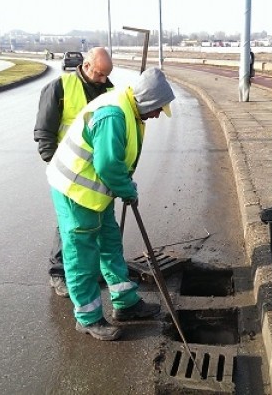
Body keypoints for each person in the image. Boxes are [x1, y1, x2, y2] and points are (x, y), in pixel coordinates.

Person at [46, 67, 175, 341]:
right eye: (156, 110)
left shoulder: (129, 107)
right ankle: (88, 317)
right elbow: (106, 164)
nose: (156, 115)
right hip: (76, 191)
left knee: (110, 243)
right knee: (83, 255)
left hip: (97, 191)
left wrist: (127, 186)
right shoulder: (114, 114)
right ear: (147, 101)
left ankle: (125, 303)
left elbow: (116, 159)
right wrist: (126, 189)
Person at [34, 47, 114, 297]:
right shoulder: (60, 88)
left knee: (94, 225)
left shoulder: (110, 91)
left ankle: (90, 271)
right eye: (100, 74)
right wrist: (57, 165)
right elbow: (44, 133)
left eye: (106, 75)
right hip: (67, 172)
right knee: (68, 225)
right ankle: (59, 273)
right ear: (87, 65)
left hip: (95, 174)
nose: (103, 80)